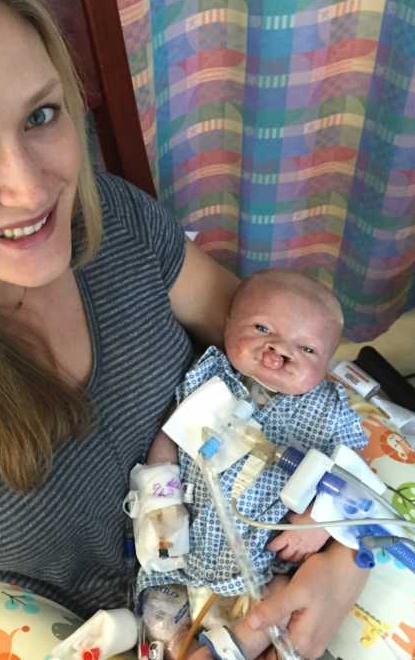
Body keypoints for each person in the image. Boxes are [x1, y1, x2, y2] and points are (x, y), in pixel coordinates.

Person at [0, 0, 368, 659]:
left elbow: (293, 365)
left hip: (263, 569)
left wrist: (344, 562)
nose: (32, 190)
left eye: (40, 114)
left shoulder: (115, 223)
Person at [133, 270, 368, 658]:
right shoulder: (210, 376)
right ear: (227, 324)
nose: (279, 350)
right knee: (156, 618)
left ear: (327, 363)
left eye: (307, 349)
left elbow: (354, 477)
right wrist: (160, 500)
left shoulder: (329, 410)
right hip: (178, 553)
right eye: (262, 327)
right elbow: (170, 437)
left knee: (276, 609)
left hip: (262, 568)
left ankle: (228, 649)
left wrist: (319, 523)